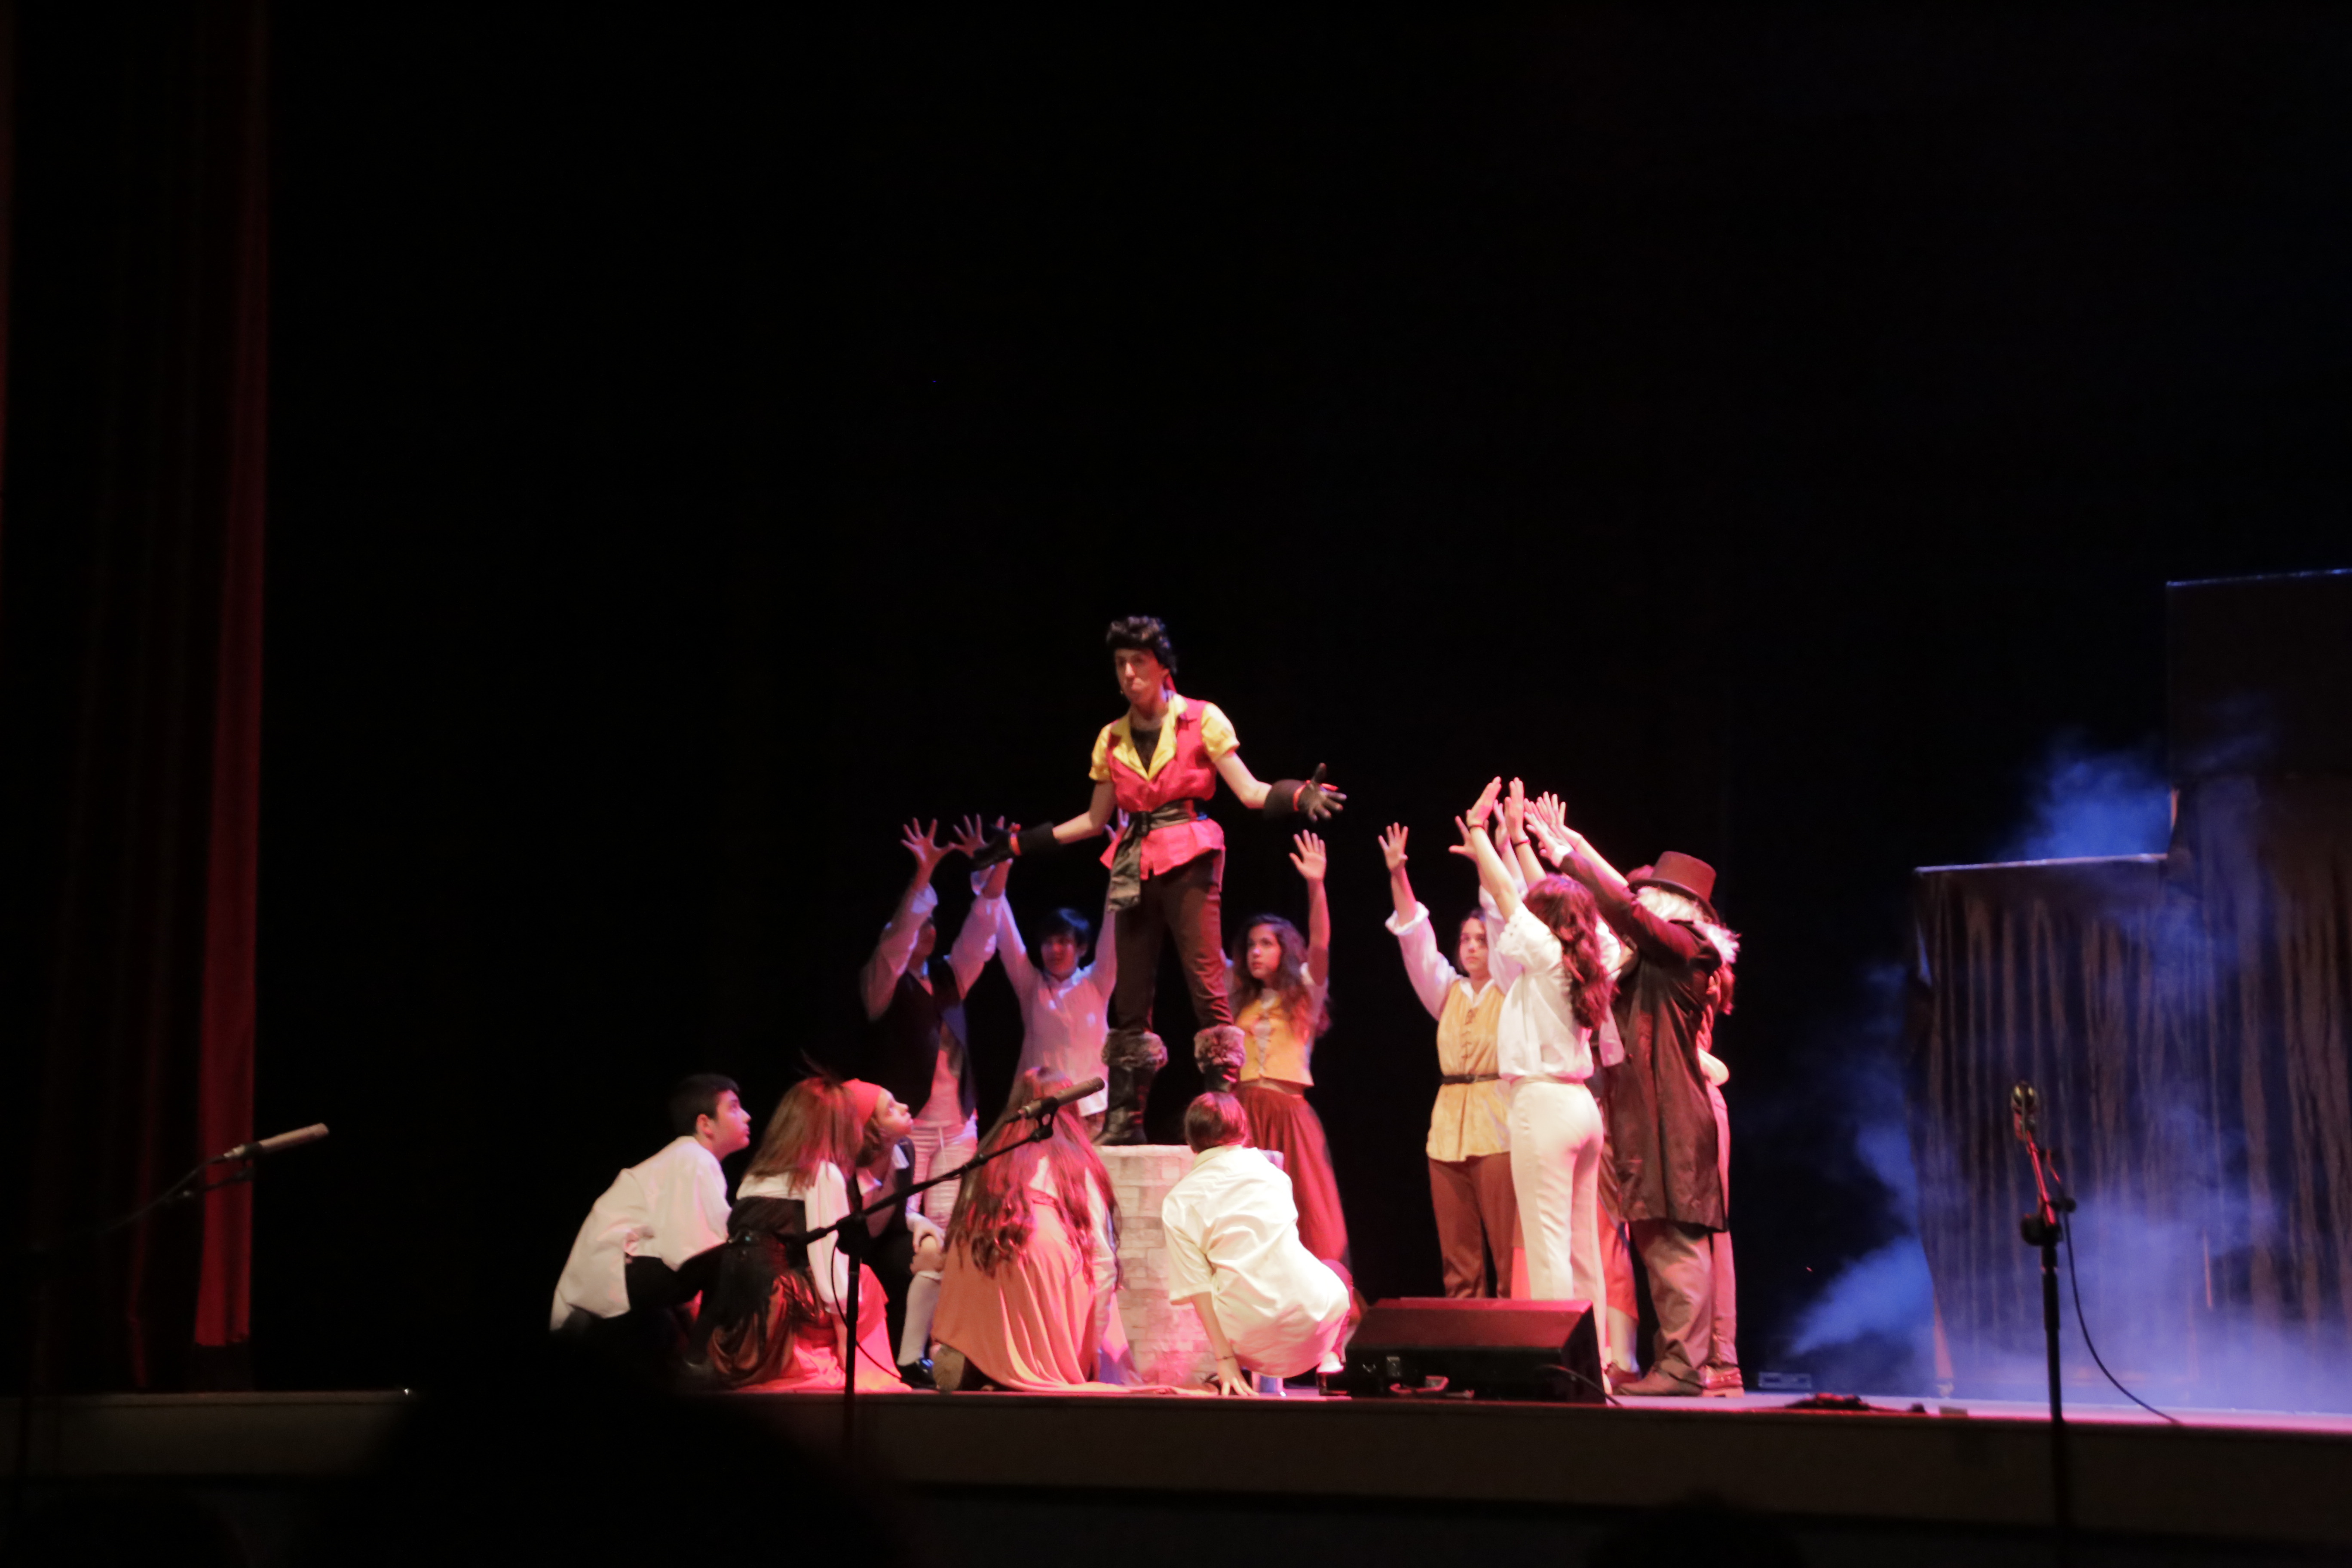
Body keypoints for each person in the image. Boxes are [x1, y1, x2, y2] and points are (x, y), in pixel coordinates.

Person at [970, 616, 1344, 1142]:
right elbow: (1094, 819)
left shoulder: (1201, 719)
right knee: (1130, 993)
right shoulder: (1112, 737)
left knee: (1205, 980)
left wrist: (1299, 794)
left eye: (1138, 663)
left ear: (1163, 667)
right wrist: (1018, 844)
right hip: (1134, 859)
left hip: (1190, 851)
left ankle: (1222, 1107)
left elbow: (1251, 791)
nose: (1129, 674)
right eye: (1121, 665)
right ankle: (1127, 1117)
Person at [1527, 793, 1739, 1396]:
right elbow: (1626, 905)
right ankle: (1676, 1362)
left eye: (1650, 896)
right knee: (1656, 1239)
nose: (1638, 900)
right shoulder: (1658, 952)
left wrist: (1569, 857)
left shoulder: (1689, 947)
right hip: (1647, 1113)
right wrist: (1572, 845)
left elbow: (1626, 909)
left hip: (1673, 1115)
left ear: (1673, 905)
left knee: (1675, 1241)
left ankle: (1682, 1367)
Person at [1456, 779, 1618, 1368]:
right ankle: (1596, 1363)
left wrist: (1483, 832)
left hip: (1544, 1107)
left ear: (1546, 922)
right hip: (1582, 1110)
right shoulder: (1599, 955)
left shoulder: (1547, 957)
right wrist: (1522, 842)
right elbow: (1544, 900)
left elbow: (1506, 895)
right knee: (1583, 1249)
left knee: (1549, 1244)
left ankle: (1564, 1368)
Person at [1378, 822, 1517, 1298]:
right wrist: (1398, 875)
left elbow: (1503, 917)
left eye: (1481, 939)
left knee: (1508, 1251)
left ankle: (1513, 1335)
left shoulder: (1511, 989)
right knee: (1458, 1258)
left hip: (1498, 1125)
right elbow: (1416, 942)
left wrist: (1488, 858)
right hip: (1447, 1130)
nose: (1473, 946)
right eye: (1466, 940)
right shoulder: (1448, 991)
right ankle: (1466, 1334)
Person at [695, 1077, 903, 1390]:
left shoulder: (756, 1173)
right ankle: (866, 1373)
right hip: (773, 1306)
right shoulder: (822, 1173)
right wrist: (847, 1345)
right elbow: (831, 1263)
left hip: (736, 1308)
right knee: (864, 1279)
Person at [931, 1069, 1130, 1392]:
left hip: (976, 1261)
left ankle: (975, 1357)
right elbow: (1102, 1259)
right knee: (1096, 1288)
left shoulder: (991, 1153)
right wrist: (1093, 1351)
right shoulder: (1074, 1160)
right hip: (1042, 1258)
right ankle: (1048, 1363)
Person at [861, 816, 1008, 1241]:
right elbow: (896, 941)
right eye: (922, 924)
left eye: (932, 923)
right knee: (901, 1222)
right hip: (909, 1125)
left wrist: (1000, 864)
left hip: (957, 1125)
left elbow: (981, 933)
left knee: (949, 1222)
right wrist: (923, 874)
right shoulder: (882, 983)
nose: (930, 930)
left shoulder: (949, 975)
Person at [550, 1074, 753, 1361]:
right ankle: (701, 1361)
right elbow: (696, 1246)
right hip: (615, 1275)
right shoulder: (693, 1157)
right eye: (733, 1107)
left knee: (725, 1256)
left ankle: (698, 1357)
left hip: (612, 1274)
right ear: (705, 1124)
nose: (746, 1116)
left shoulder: (685, 1156)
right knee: (734, 1257)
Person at [1161, 1092, 1353, 1394]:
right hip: (1312, 1328)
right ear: (1244, 1131)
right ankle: (1331, 1360)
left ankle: (1236, 1375)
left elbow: (1198, 1289)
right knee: (1336, 1271)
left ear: (1191, 1141)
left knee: (1222, 1286)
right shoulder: (1274, 1176)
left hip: (1250, 1345)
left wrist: (1224, 1360)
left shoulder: (1179, 1201)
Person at [1221, 831, 1350, 1267]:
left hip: (1288, 1112)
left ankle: (1313, 1290)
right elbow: (1205, 950)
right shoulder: (1239, 998)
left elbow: (1321, 944)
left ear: (1285, 949)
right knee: (1247, 1211)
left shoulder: (1305, 994)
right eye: (1251, 945)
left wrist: (1316, 885)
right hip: (1244, 1113)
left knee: (1306, 1207)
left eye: (1266, 944)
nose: (1255, 952)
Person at [989, 889, 1118, 1135]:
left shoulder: (1097, 983)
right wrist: (994, 885)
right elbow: (1008, 940)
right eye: (1048, 942)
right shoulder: (1032, 988)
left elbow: (1112, 935)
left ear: (1081, 948)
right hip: (1042, 1110)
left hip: (1092, 1111)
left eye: (1063, 942)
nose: (1054, 949)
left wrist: (1118, 880)